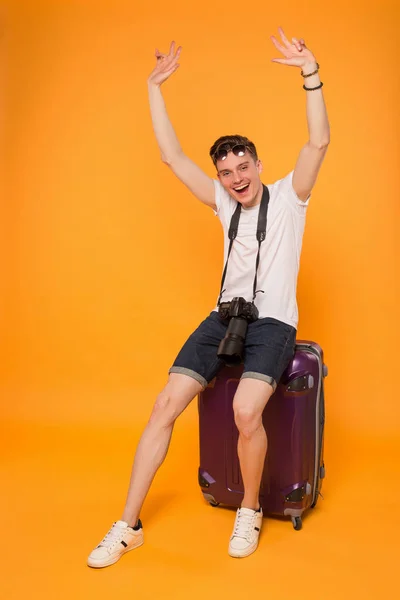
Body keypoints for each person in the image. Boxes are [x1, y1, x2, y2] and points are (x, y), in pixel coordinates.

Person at [87, 28, 329, 568]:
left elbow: (317, 143)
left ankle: (249, 510)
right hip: (225, 318)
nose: (236, 179)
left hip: (271, 325)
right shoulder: (223, 203)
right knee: (164, 405)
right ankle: (127, 525)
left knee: (246, 411)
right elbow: (172, 156)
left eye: (244, 168)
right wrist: (154, 87)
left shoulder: (291, 198)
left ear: (259, 165)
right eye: (226, 173)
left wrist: (309, 73)